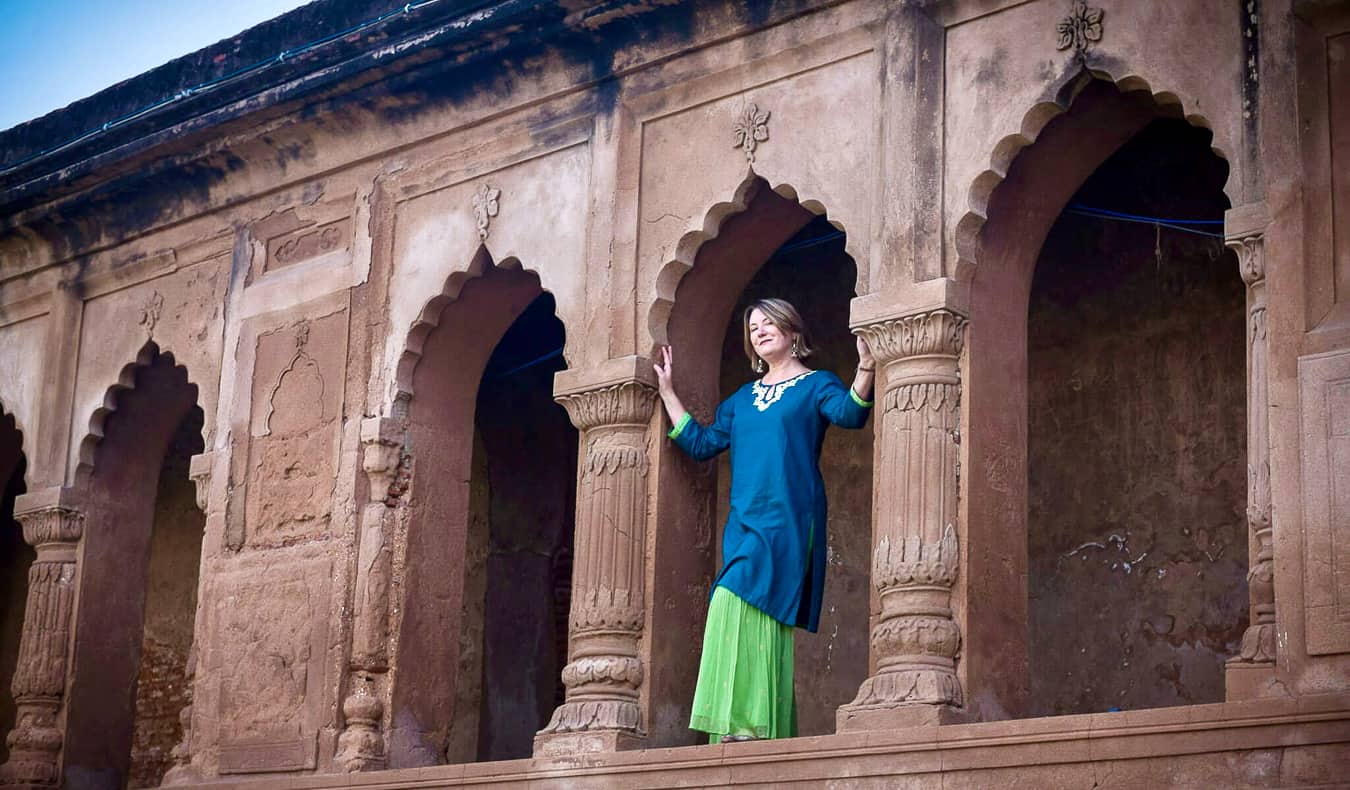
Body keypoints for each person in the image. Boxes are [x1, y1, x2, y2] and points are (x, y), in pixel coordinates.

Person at [652, 297, 875, 743]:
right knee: (732, 605)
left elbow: (849, 414)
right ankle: (746, 732)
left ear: (793, 332)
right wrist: (668, 394)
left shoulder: (816, 386)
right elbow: (700, 443)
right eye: (753, 327)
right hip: (745, 523)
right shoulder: (741, 400)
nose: (760, 330)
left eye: (769, 322)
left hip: (790, 518)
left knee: (752, 607)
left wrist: (866, 368)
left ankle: (752, 728)